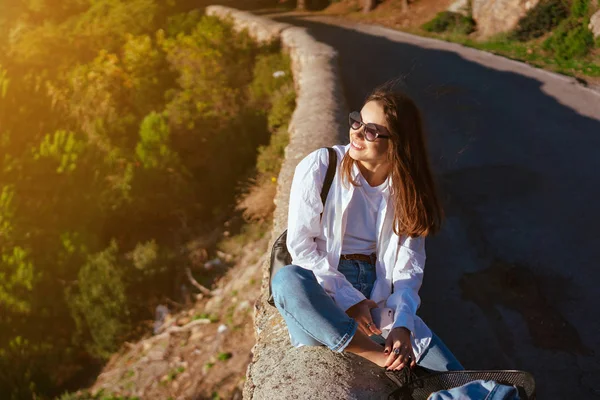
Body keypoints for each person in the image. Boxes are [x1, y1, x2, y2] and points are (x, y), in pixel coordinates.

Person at [271, 86, 464, 372]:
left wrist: (402, 325)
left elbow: (408, 269)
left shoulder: (407, 191)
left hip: (377, 295)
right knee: (287, 280)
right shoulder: (322, 165)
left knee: (456, 375)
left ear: (397, 142)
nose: (357, 134)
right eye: (357, 122)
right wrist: (351, 301)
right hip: (324, 287)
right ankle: (376, 357)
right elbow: (301, 247)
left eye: (371, 131)